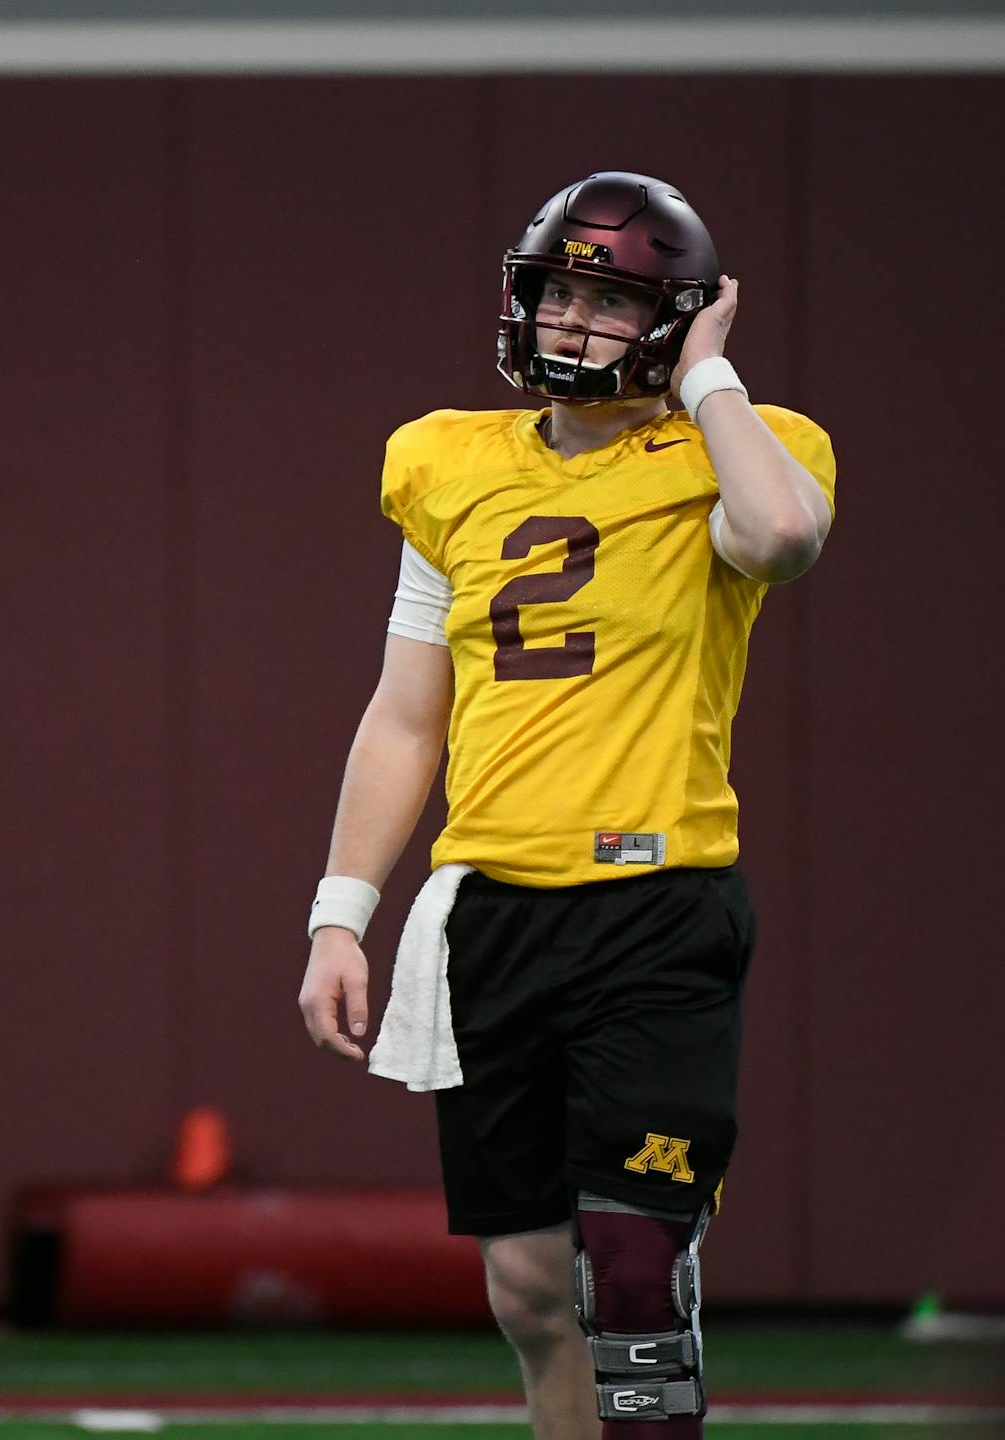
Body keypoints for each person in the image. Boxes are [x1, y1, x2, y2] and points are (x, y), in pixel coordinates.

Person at [296, 172, 835, 1437]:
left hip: (657, 907)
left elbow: (782, 540)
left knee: (634, 1274)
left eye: (610, 301)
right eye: (561, 292)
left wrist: (709, 379)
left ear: (675, 319)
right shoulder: (448, 462)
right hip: (494, 915)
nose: (571, 324)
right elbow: (405, 712)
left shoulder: (742, 445)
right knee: (533, 1289)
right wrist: (339, 910)